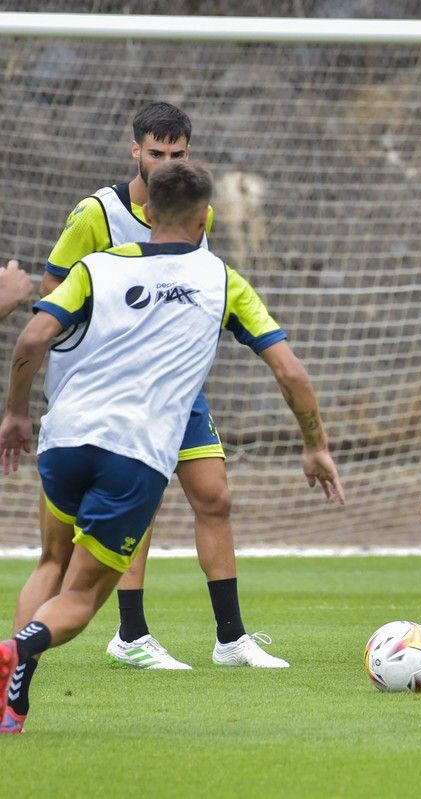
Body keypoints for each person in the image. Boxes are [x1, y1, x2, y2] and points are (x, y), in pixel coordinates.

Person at [0, 161, 345, 733]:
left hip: (63, 440)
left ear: (149, 214)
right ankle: (16, 647)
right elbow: (292, 374)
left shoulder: (94, 267)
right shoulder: (223, 280)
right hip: (134, 454)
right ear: (206, 216)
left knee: (52, 561)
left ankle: (13, 700)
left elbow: (35, 335)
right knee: (81, 600)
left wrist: (15, 414)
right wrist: (316, 446)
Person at [38, 102, 286, 671]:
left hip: (175, 388)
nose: (166, 163)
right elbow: (53, 295)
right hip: (113, 392)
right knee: (138, 502)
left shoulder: (198, 212)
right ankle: (131, 635)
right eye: (156, 153)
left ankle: (230, 639)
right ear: (135, 152)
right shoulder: (95, 215)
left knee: (214, 496)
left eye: (177, 154)